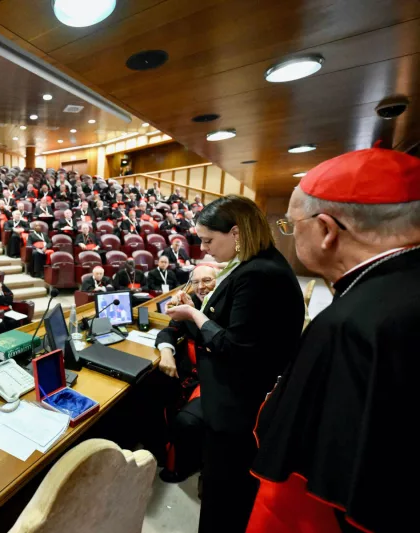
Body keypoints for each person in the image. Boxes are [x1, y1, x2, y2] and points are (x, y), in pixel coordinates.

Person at [247, 148, 420, 533]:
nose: (290, 235)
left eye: (291, 225)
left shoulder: (348, 326)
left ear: (326, 230)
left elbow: (310, 492)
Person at [161, 195, 304, 533]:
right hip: (229, 398)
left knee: (225, 495)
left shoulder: (260, 273)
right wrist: (198, 304)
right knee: (221, 486)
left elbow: (234, 345)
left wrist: (194, 313)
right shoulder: (254, 264)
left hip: (237, 406)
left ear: (236, 233)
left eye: (209, 239)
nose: (205, 248)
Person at [155, 265, 217, 483]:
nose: (202, 287)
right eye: (197, 282)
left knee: (186, 421)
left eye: (208, 280)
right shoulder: (192, 303)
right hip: (189, 375)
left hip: (215, 378)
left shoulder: (226, 306)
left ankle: (180, 467)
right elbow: (169, 331)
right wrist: (166, 352)